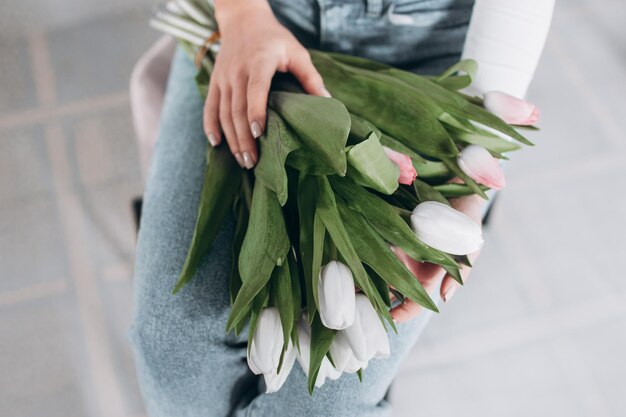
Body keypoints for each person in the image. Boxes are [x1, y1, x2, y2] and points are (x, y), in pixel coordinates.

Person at [129, 1, 555, 416]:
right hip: (257, 23)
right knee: (173, 342)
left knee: (322, 403)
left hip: (432, 58)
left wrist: (468, 180)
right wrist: (240, 14)